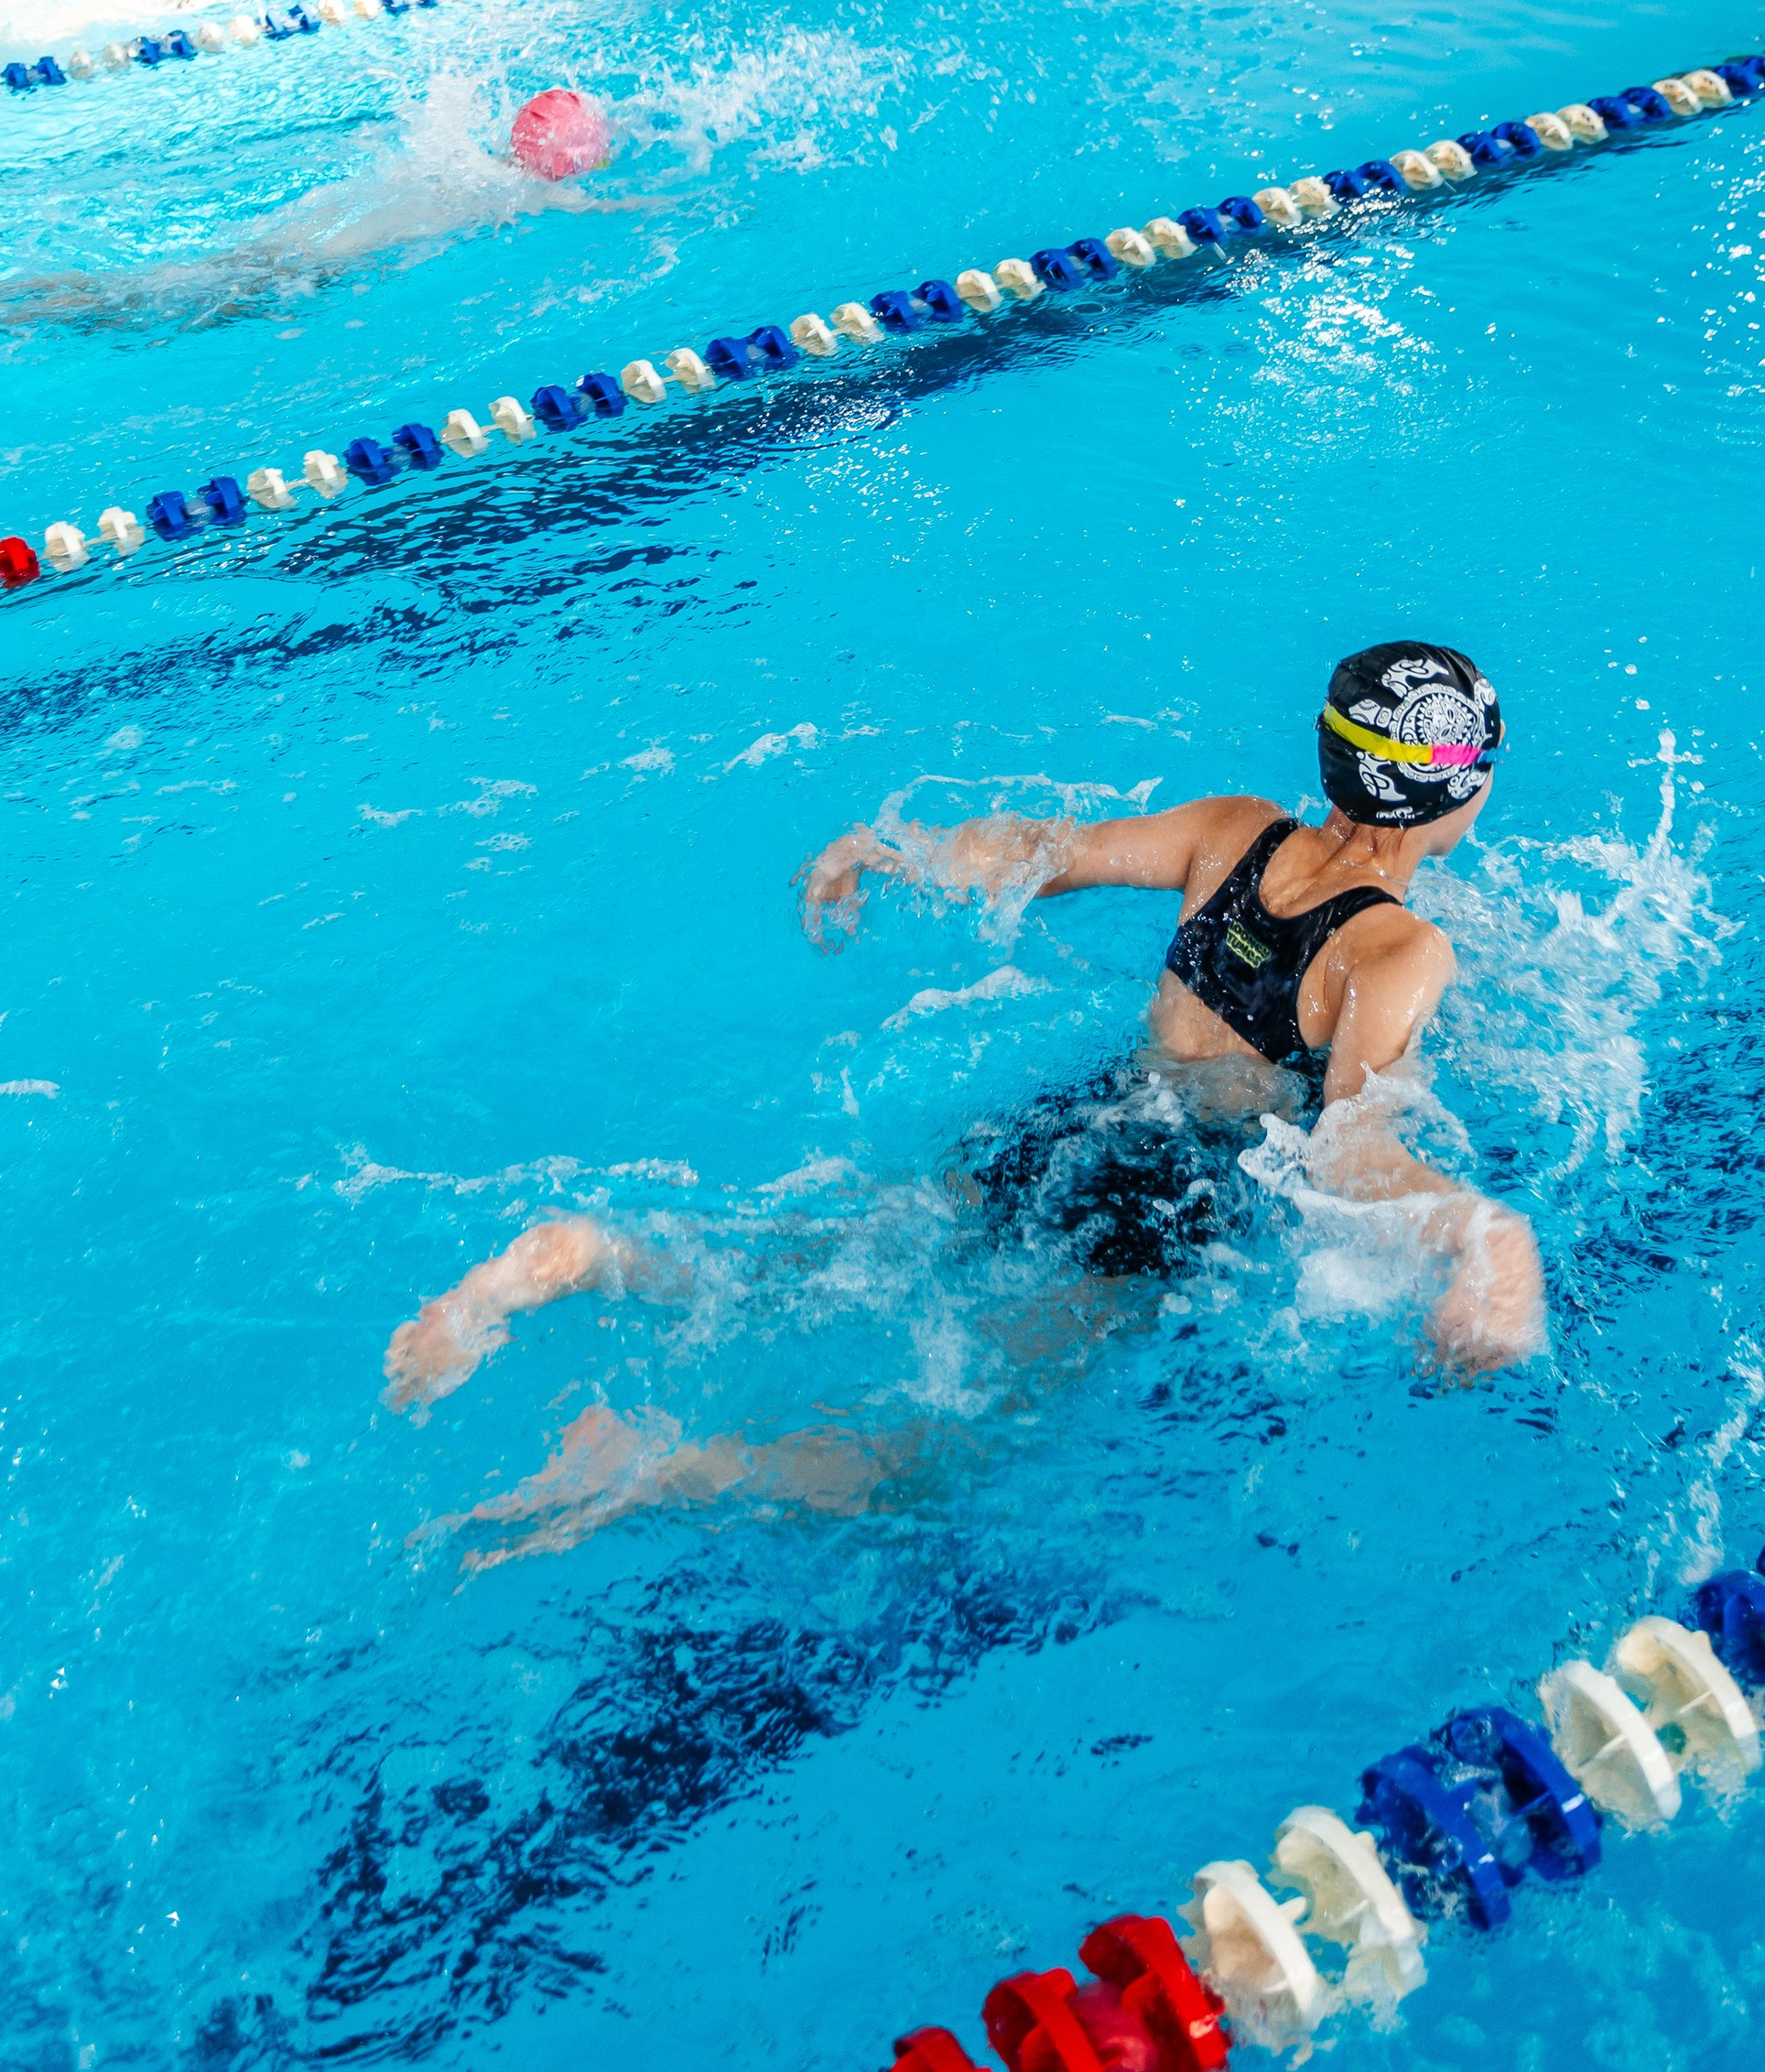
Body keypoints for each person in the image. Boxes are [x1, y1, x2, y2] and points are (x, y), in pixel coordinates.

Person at [385, 644, 1544, 1556]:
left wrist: (894, 851)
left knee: (816, 1257)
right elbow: (1351, 1149)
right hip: (1161, 1199)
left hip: (1071, 1119)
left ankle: (595, 1254)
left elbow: (1043, 851)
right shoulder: (1397, 952)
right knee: (929, 1457)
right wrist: (1487, 1234)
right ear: (1454, 792)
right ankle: (653, 1469)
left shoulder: (1234, 831)